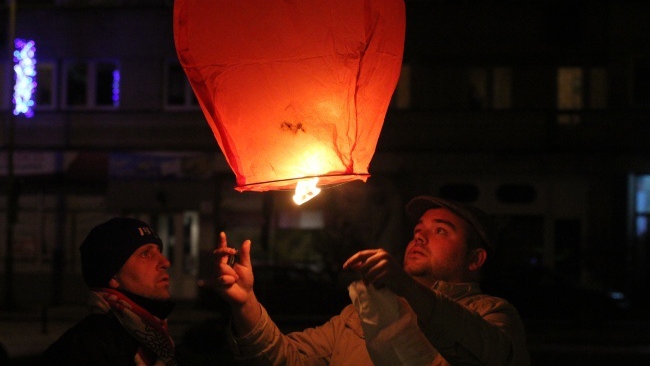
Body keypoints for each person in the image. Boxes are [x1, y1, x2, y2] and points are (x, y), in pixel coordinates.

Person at [214, 195, 530, 366]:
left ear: (475, 259)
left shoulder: (493, 314)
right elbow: (286, 358)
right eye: (418, 230)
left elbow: (488, 354)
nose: (419, 237)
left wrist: (408, 289)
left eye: (440, 231)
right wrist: (246, 304)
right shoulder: (362, 315)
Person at [41, 217, 178, 366]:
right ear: (113, 275)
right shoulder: (87, 349)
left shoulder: (150, 338)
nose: (165, 262)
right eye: (145, 254)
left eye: (159, 251)